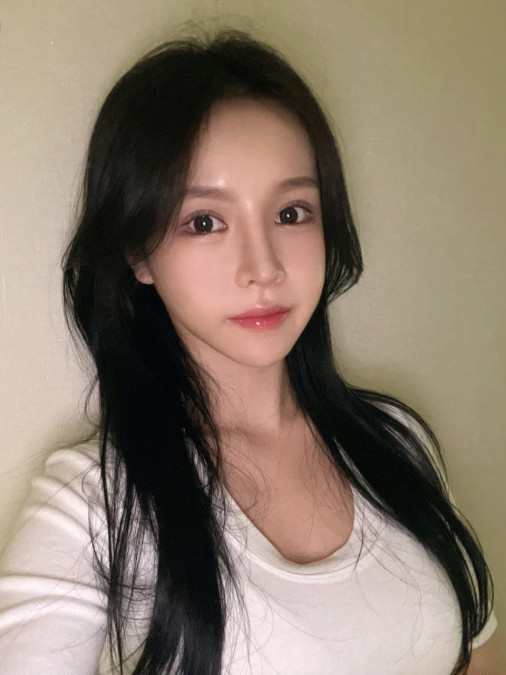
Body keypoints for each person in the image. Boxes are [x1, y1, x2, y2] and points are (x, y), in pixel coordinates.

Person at [0, 30, 502, 675]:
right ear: (137, 254)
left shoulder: (397, 442)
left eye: (291, 213)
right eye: (203, 222)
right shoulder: (95, 507)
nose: (262, 268)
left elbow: (476, 657)